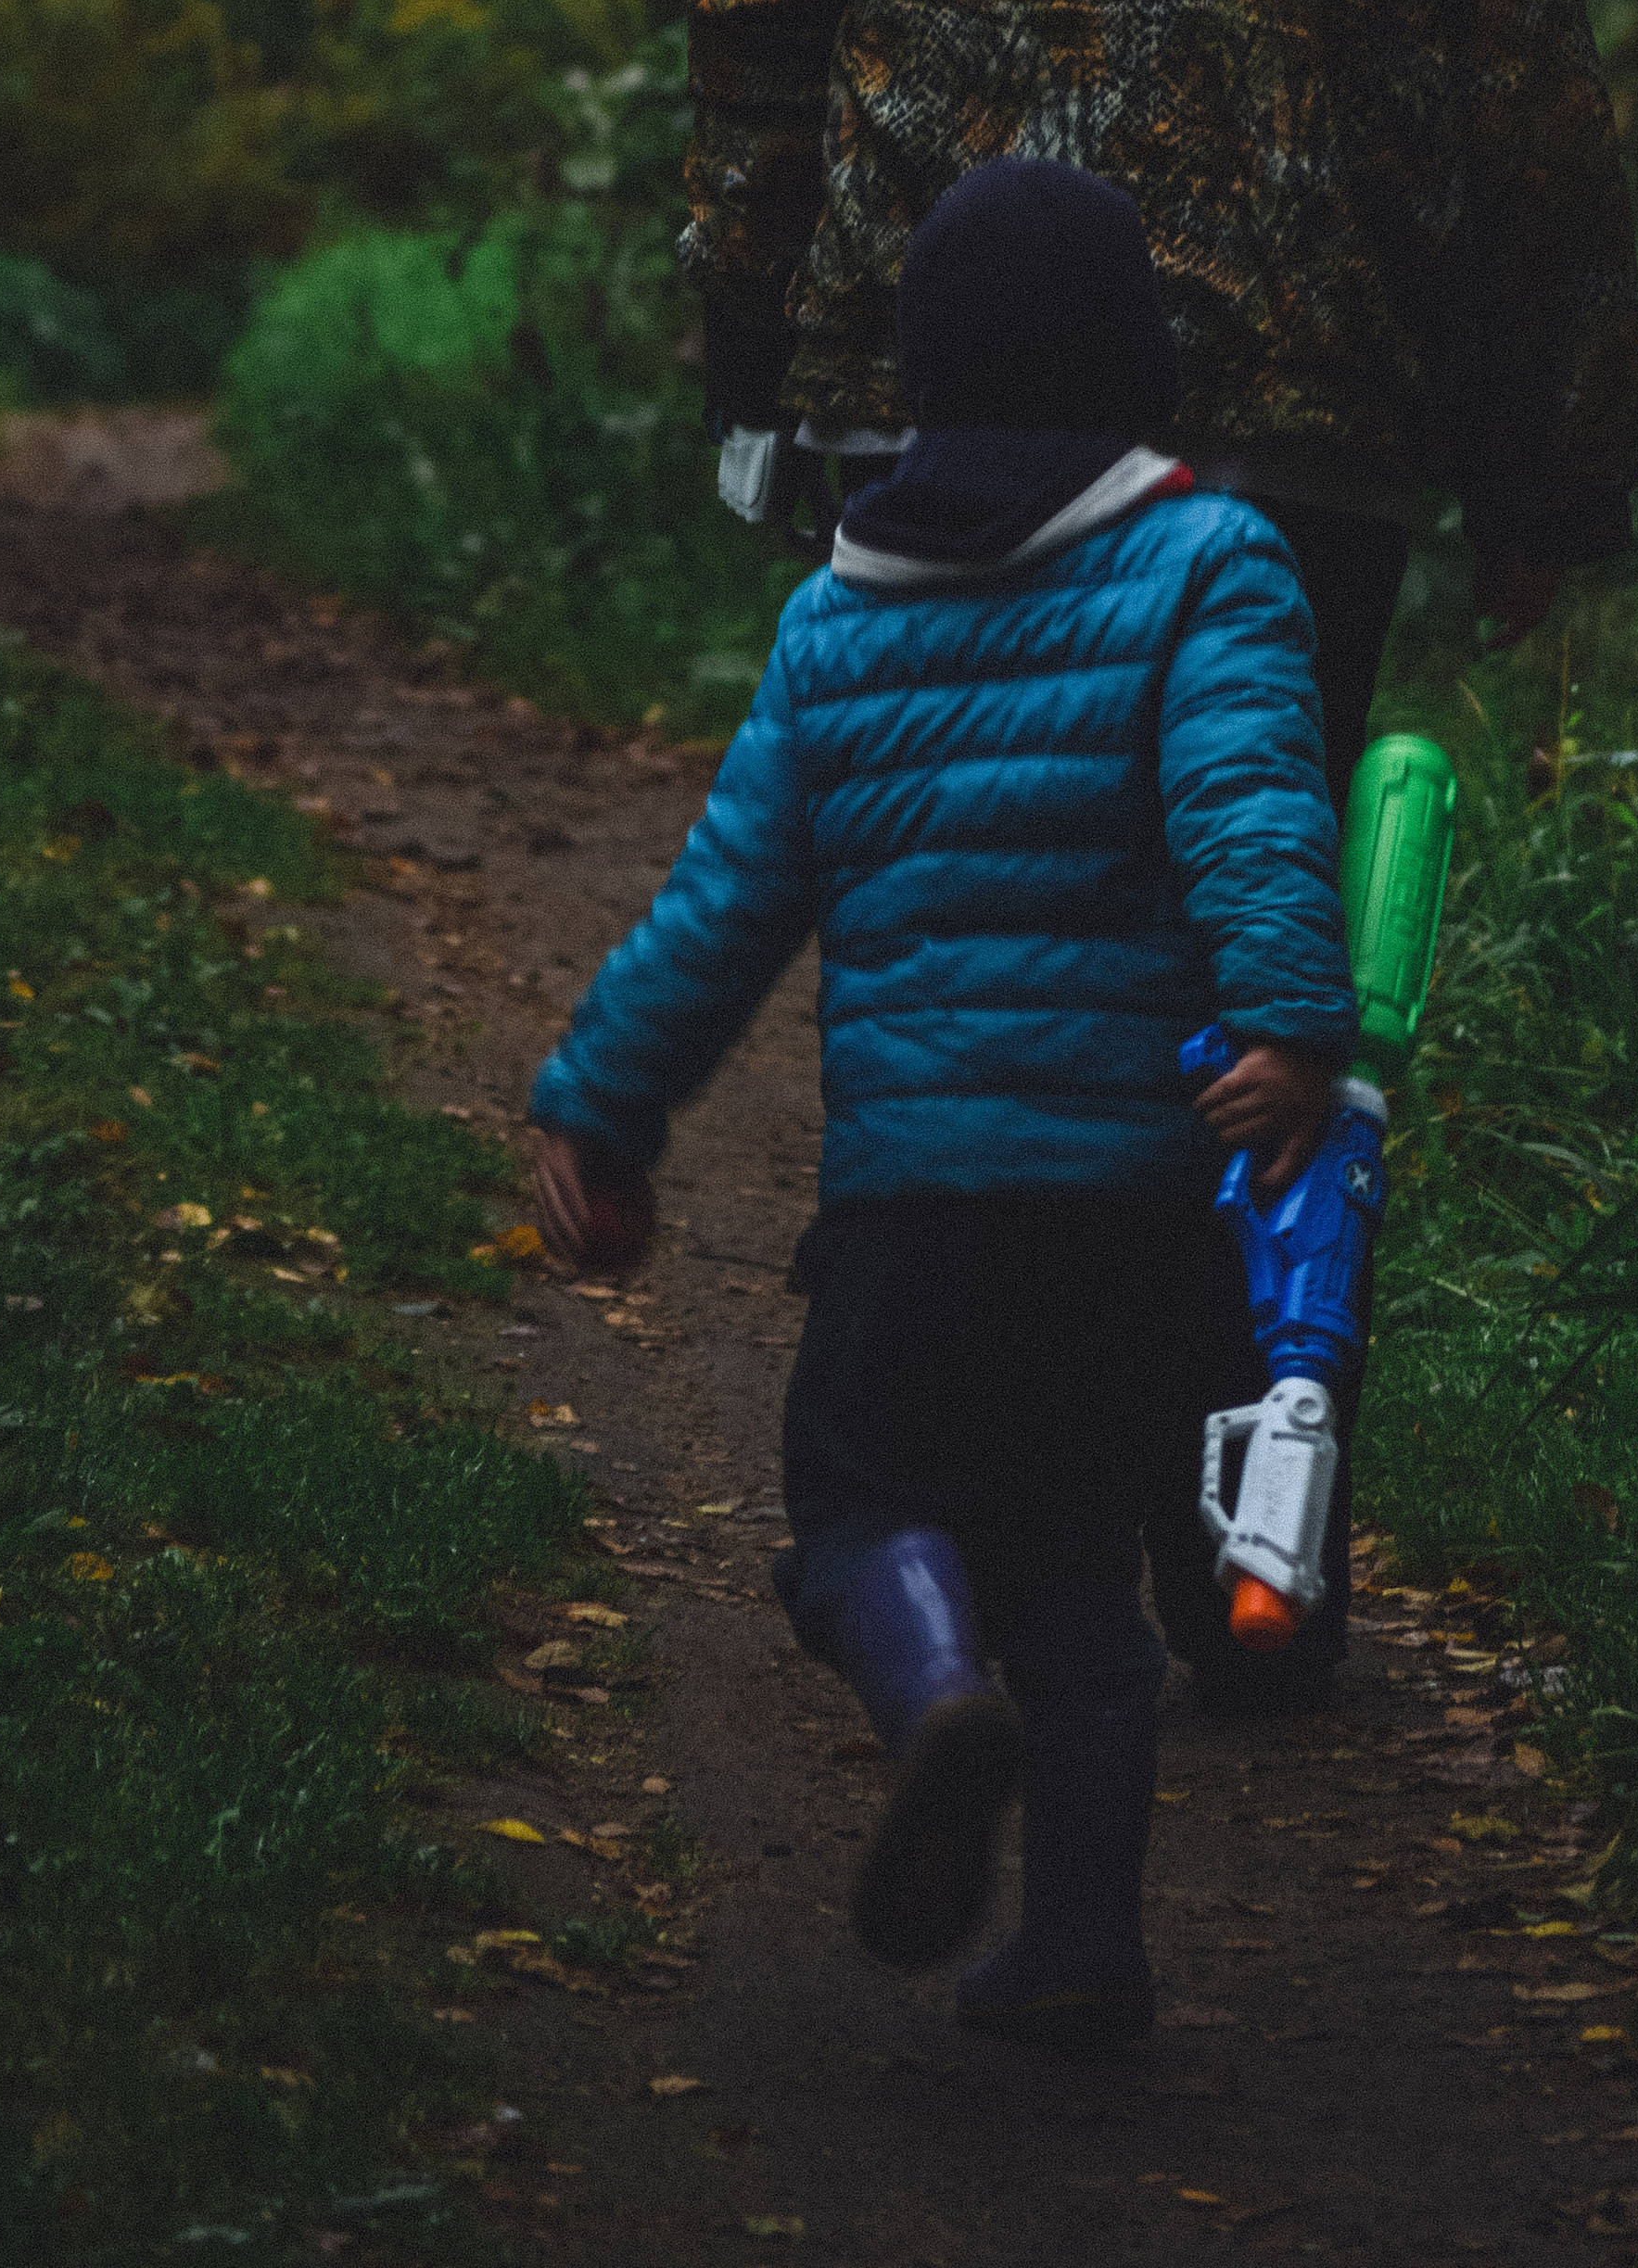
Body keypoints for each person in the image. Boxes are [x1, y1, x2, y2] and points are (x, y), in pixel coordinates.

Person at [679, 0, 1638, 1704]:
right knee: (1258, 971)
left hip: (939, 416)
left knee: (948, 931)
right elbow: (1523, 102)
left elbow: (752, 9)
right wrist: (1554, 472)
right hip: (1293, 446)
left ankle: (938, 1476)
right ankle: (1247, 1524)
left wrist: (751, 359)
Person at [531, 161, 1361, 2055]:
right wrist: (1286, 1026)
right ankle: (1077, 1948)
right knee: (1080, 1571)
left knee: (860, 1502)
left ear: (915, 372)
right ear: (1138, 359)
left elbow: (724, 901)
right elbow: (1251, 810)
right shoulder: (1208, 555)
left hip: (919, 1205)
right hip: (1134, 1204)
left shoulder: (840, 615)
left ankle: (923, 1698)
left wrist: (603, 1107)